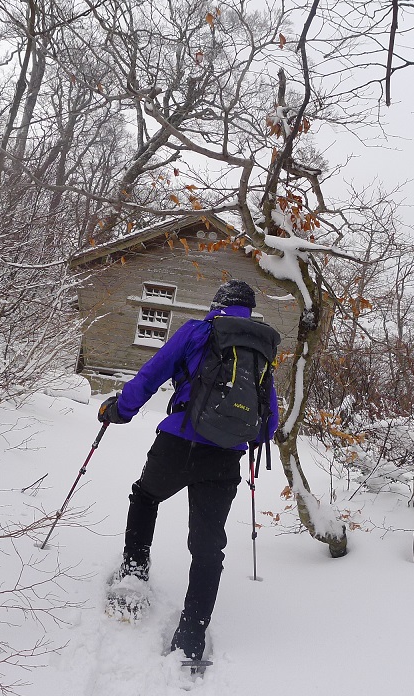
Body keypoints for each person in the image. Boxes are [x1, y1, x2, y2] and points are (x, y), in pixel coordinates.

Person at [97, 279, 279, 661]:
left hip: (180, 442)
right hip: (226, 458)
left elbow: (152, 373)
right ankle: (192, 634)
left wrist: (120, 410)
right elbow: (268, 422)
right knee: (208, 545)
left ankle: (134, 569)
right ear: (250, 311)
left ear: (218, 303)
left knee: (145, 496)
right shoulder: (261, 349)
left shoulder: (200, 330)